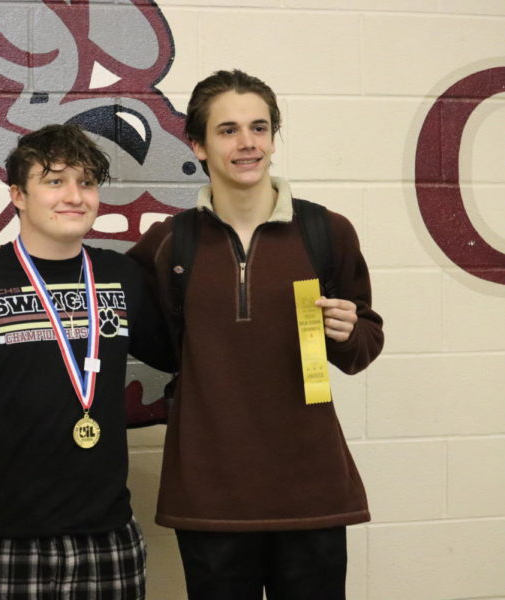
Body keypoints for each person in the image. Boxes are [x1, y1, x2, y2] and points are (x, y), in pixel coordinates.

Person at [127, 69, 384, 599]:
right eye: (228, 130)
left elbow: (363, 347)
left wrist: (348, 330)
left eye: (259, 128)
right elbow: (96, 290)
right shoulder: (170, 242)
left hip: (311, 492)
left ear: (273, 136)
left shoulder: (325, 231)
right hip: (210, 497)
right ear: (197, 144)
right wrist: (13, 264)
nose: (247, 143)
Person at [0, 124, 173, 599]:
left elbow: (185, 353)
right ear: (18, 196)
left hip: (107, 536)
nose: (74, 195)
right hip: (0, 537)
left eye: (86, 182)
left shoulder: (119, 276)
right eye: (54, 180)